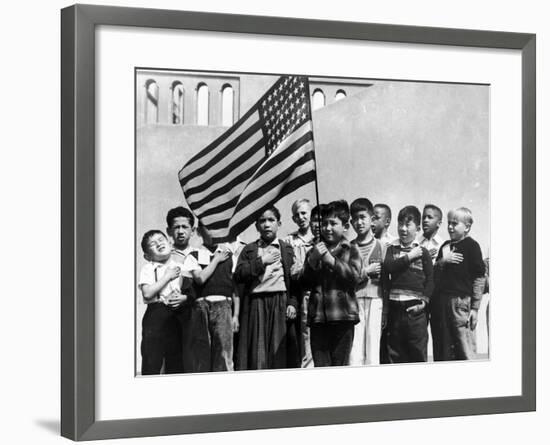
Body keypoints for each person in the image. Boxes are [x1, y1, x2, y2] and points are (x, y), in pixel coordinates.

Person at [234, 206, 298, 370]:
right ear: (256, 226)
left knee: (279, 351)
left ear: (279, 224)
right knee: (258, 351)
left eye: (271, 220)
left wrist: (292, 303)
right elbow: (239, 274)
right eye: (262, 221)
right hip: (256, 302)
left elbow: (295, 281)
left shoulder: (287, 249)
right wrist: (262, 261)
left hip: (280, 302)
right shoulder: (249, 249)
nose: (267, 224)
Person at [302, 200, 361, 367]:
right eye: (324, 223)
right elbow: (304, 283)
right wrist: (312, 262)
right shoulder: (314, 250)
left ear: (345, 226)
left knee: (340, 367)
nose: (327, 228)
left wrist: (330, 260)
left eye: (333, 223)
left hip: (343, 318)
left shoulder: (351, 249)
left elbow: (355, 277)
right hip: (318, 319)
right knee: (321, 368)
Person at [137, 230, 199, 375]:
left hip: (178, 316)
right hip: (155, 316)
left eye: (161, 239)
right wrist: (167, 277)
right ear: (147, 256)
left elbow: (192, 294)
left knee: (176, 361)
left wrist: (184, 299)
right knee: (152, 359)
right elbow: (147, 294)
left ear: (171, 244)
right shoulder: (148, 268)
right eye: (152, 244)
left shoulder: (183, 268)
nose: (158, 243)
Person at [431, 207, 486, 361]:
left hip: (461, 304)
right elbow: (435, 275)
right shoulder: (444, 247)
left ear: (467, 227)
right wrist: (443, 261)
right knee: (444, 349)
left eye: (455, 224)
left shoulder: (472, 246)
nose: (450, 227)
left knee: (464, 347)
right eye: (449, 223)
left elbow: (479, 278)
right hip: (442, 304)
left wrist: (475, 308)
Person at [381, 205, 434, 363]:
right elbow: (389, 267)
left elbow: (431, 280)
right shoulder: (392, 249)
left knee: (417, 352)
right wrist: (409, 257)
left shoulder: (423, 251)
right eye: (400, 224)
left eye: (407, 225)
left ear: (417, 228)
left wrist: (424, 303)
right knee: (395, 353)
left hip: (415, 310)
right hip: (395, 308)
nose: (403, 229)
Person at [186, 224, 237, 372]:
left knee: (224, 352)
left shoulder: (228, 255)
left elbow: (235, 289)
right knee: (202, 352)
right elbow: (200, 278)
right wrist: (215, 260)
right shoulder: (194, 254)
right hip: (202, 307)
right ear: (199, 231)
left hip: (224, 305)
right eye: (208, 227)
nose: (213, 231)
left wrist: (236, 315)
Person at [349, 198, 386, 366]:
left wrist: (386, 310)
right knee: (355, 351)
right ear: (351, 222)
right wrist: (366, 272)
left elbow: (388, 280)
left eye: (363, 217)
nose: (359, 222)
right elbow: (346, 277)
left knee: (373, 350)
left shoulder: (382, 246)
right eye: (355, 218)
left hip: (376, 300)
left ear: (372, 219)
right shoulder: (347, 248)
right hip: (354, 302)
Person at [284, 199, 314, 368]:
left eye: (304, 213)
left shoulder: (320, 237)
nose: (301, 217)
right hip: (302, 293)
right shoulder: (290, 240)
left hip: (320, 292)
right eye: (297, 215)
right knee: (306, 337)